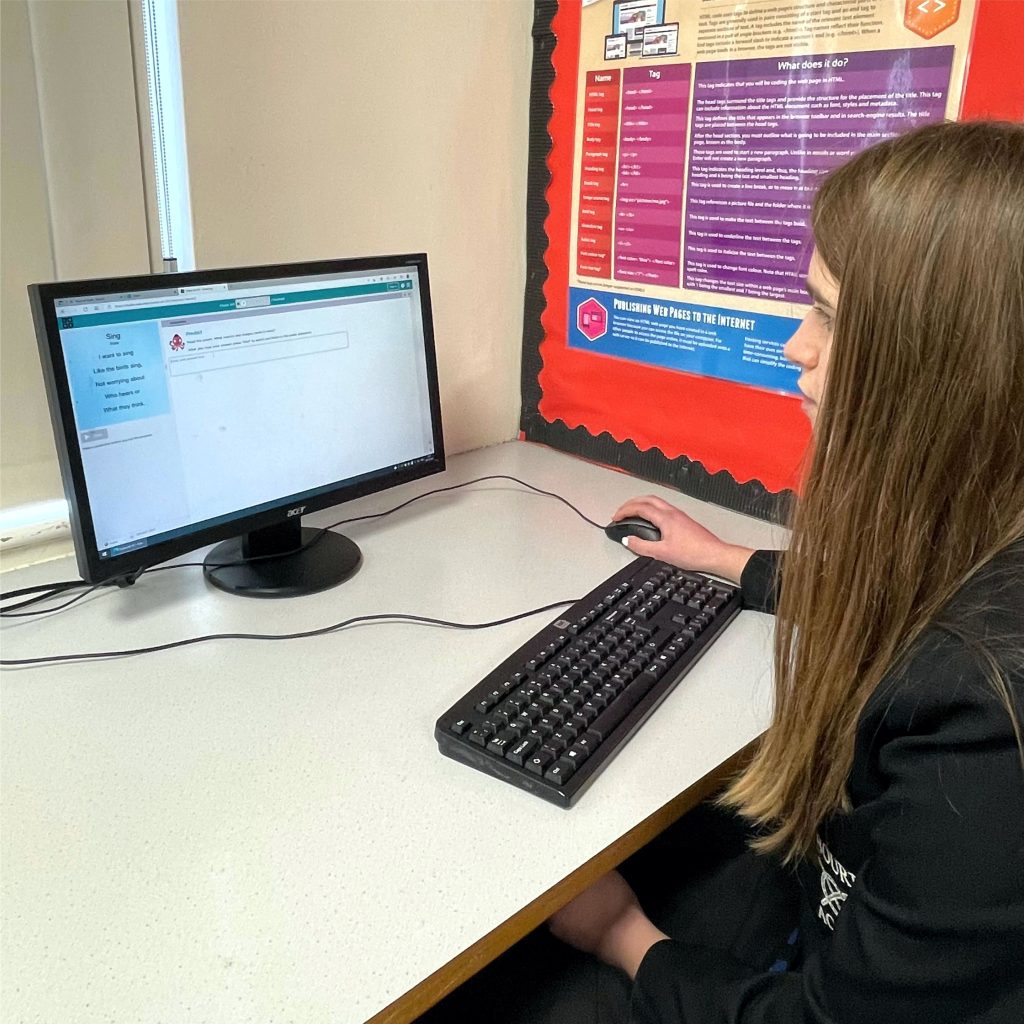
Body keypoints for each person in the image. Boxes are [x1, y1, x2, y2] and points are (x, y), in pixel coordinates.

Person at [421, 120, 1024, 1023]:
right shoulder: (987, 544)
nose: (796, 346)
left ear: (945, 361)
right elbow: (897, 595)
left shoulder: (986, 720)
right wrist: (725, 560)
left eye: (828, 314)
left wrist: (623, 934)